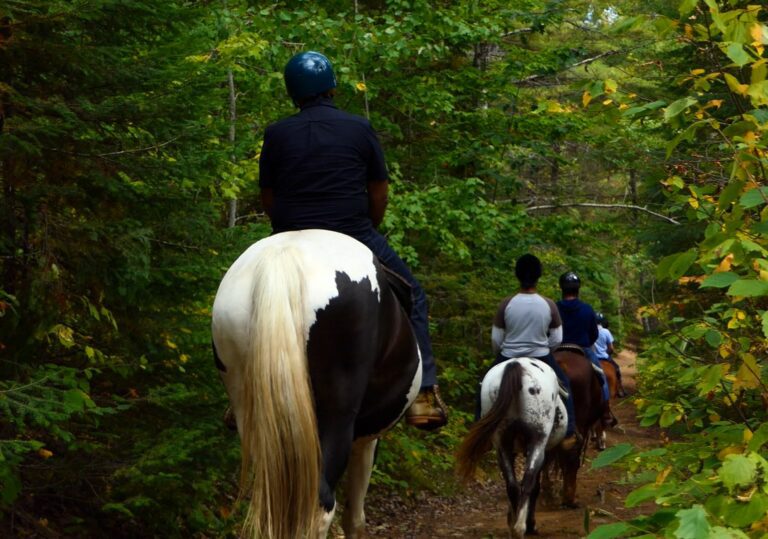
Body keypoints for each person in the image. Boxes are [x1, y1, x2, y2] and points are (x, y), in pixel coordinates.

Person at [258, 51, 447, 431]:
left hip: (290, 234)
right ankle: (424, 393)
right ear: (331, 87)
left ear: (292, 91)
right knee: (415, 293)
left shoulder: (276, 133)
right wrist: (369, 228)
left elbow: (268, 196)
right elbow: (379, 190)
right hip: (352, 231)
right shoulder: (359, 128)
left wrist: (283, 228)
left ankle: (240, 396)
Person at [485, 254, 578, 449]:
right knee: (565, 386)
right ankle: (569, 433)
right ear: (538, 276)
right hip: (541, 355)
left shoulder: (506, 304)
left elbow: (496, 339)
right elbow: (557, 338)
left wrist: (501, 353)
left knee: (483, 385)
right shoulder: (549, 304)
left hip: (508, 354)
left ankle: (481, 430)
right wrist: (546, 349)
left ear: (517, 275)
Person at [556, 271, 617, 428]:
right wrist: (586, 343)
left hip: (557, 349)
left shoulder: (554, 308)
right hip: (582, 348)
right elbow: (593, 334)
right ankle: (605, 412)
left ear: (561, 288)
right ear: (578, 289)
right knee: (601, 377)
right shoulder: (587, 309)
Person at [594, 313, 627, 398]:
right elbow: (611, 348)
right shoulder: (606, 331)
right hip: (604, 357)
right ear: (601, 321)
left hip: (592, 358)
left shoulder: (588, 330)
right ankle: (620, 389)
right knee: (616, 368)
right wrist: (608, 353)